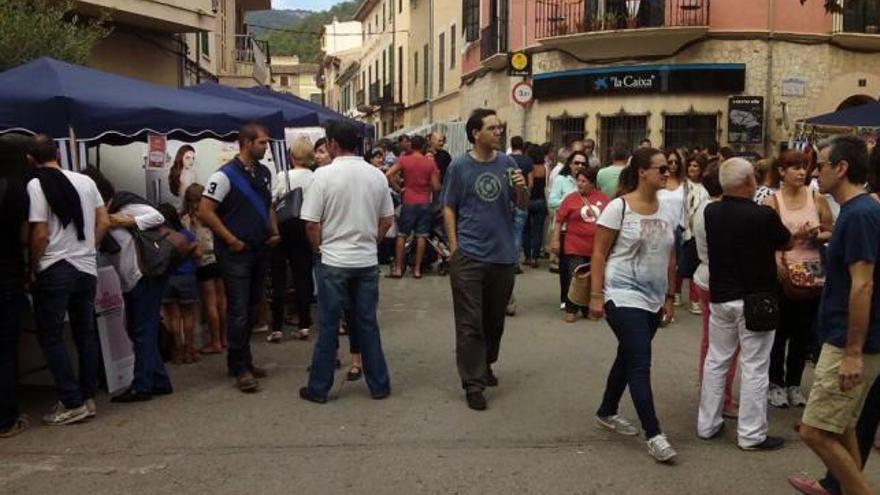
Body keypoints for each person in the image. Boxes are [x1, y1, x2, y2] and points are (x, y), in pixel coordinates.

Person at [792, 136, 880, 495]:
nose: (815, 172)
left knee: (814, 431)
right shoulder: (856, 212)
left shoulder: (860, 214)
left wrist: (852, 352)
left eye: (822, 165)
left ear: (841, 168)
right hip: (841, 336)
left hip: (849, 341)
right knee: (841, 426)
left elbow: (863, 286)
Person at [588, 147, 678, 462]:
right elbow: (598, 252)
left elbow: (670, 255)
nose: (667, 173)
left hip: (653, 297)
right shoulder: (618, 207)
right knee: (640, 360)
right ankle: (654, 434)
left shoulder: (667, 209)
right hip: (621, 293)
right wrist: (596, 295)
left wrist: (669, 296)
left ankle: (607, 410)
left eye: (668, 168)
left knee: (628, 355)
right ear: (642, 172)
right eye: (662, 168)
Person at [697, 157, 791, 451]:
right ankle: (751, 434)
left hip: (722, 296)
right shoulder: (762, 215)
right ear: (750, 182)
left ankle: (707, 423)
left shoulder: (711, 212)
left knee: (717, 359)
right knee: (755, 366)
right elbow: (785, 241)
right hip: (756, 298)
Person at [299, 121, 395, 404]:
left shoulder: (323, 176)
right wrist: (372, 241)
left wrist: (320, 250)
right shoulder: (377, 176)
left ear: (332, 144)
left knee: (329, 325)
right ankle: (379, 385)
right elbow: (387, 219)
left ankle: (318, 388)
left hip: (334, 260)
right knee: (367, 323)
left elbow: (311, 224)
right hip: (365, 260)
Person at [443, 108, 529, 411]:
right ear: (475, 133)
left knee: (494, 322)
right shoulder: (459, 167)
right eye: (492, 128)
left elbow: (521, 205)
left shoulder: (508, 164)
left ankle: (486, 363)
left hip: (502, 255)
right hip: (469, 255)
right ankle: (473, 383)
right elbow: (449, 207)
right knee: (469, 323)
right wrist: (454, 247)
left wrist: (521, 189)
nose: (498, 132)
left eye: (499, 127)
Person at [27, 136, 108, 424]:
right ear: (59, 152)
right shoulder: (86, 182)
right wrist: (90, 248)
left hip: (55, 266)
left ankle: (71, 400)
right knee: (84, 333)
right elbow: (104, 221)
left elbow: (39, 234)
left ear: (30, 158)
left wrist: (33, 266)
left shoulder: (36, 184)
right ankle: (87, 398)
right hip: (85, 267)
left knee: (50, 336)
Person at [199, 123, 280, 393]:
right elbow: (205, 211)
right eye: (262, 143)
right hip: (235, 253)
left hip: (258, 248)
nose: (266, 147)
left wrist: (273, 230)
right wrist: (230, 238)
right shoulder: (224, 176)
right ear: (245, 142)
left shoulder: (264, 173)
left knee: (253, 306)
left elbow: (267, 204)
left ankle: (243, 360)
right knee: (238, 309)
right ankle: (239, 367)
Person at [89, 169, 174, 404]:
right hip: (133, 278)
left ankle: (142, 384)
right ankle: (159, 380)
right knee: (139, 329)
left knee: (142, 330)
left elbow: (157, 217)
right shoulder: (105, 213)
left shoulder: (123, 205)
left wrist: (126, 221)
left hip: (144, 275)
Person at [763, 150, 833, 409]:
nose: (801, 172)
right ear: (781, 171)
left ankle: (794, 383)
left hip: (811, 273)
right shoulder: (772, 201)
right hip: (783, 271)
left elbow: (831, 229)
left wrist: (816, 236)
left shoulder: (817, 198)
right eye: (794, 167)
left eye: (803, 167)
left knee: (802, 333)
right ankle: (775, 383)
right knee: (779, 331)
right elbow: (765, 237)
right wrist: (791, 236)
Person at [692, 161, 740, 420]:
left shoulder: (704, 207)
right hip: (721, 280)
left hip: (706, 276)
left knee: (710, 342)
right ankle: (721, 398)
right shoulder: (720, 211)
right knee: (726, 346)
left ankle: (710, 393)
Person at [267, 137, 316, 344]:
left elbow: (271, 202)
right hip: (304, 227)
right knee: (303, 277)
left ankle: (277, 327)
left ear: (291, 155)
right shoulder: (315, 177)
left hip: (283, 227)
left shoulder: (282, 176)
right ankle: (304, 324)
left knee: (279, 278)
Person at [0, 135, 32, 437]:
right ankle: (6, 418)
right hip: (8, 275)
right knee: (6, 351)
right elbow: (26, 237)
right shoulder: (19, 192)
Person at [553, 167, 608, 322]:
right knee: (577, 278)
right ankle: (571, 309)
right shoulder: (571, 199)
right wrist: (555, 240)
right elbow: (559, 221)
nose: (580, 184)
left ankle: (587, 309)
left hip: (596, 247)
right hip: (574, 246)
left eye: (584, 181)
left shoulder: (603, 199)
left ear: (592, 183)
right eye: (578, 180)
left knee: (593, 277)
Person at [386, 134, 440, 279]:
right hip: (424, 202)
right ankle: (417, 269)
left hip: (408, 201)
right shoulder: (430, 163)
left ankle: (398, 268)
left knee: (402, 234)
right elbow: (435, 186)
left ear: (411, 145)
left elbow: (389, 174)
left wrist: (399, 188)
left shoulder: (404, 160)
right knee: (421, 235)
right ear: (423, 147)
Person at [181, 183, 227, 354]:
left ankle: (215, 342)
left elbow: (186, 241)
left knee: (210, 303)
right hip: (220, 258)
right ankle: (224, 338)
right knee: (222, 301)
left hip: (203, 261)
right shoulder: (212, 214)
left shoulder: (188, 219)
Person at [157, 203, 201, 364]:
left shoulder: (159, 236)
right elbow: (199, 255)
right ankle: (190, 349)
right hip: (186, 277)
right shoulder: (186, 234)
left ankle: (178, 350)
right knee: (188, 315)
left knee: (173, 317)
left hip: (167, 279)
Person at [550, 151, 589, 308]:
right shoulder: (561, 180)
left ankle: (581, 298)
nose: (579, 166)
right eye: (576, 163)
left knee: (583, 266)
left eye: (583, 164)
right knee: (566, 266)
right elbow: (552, 202)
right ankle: (566, 299)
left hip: (583, 228)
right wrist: (570, 201)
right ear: (570, 164)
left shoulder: (588, 181)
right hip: (565, 228)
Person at [680, 154, 709, 315]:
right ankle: (676, 294)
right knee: (680, 266)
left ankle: (694, 299)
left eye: (696, 166)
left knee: (695, 266)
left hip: (698, 230)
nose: (692, 168)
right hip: (684, 227)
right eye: (690, 165)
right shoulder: (683, 185)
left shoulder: (705, 188)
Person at [523, 143, 548, 268]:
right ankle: (535, 257)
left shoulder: (530, 167)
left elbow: (530, 184)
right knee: (538, 230)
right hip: (541, 200)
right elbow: (547, 185)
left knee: (526, 229)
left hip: (529, 200)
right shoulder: (545, 167)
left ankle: (527, 256)